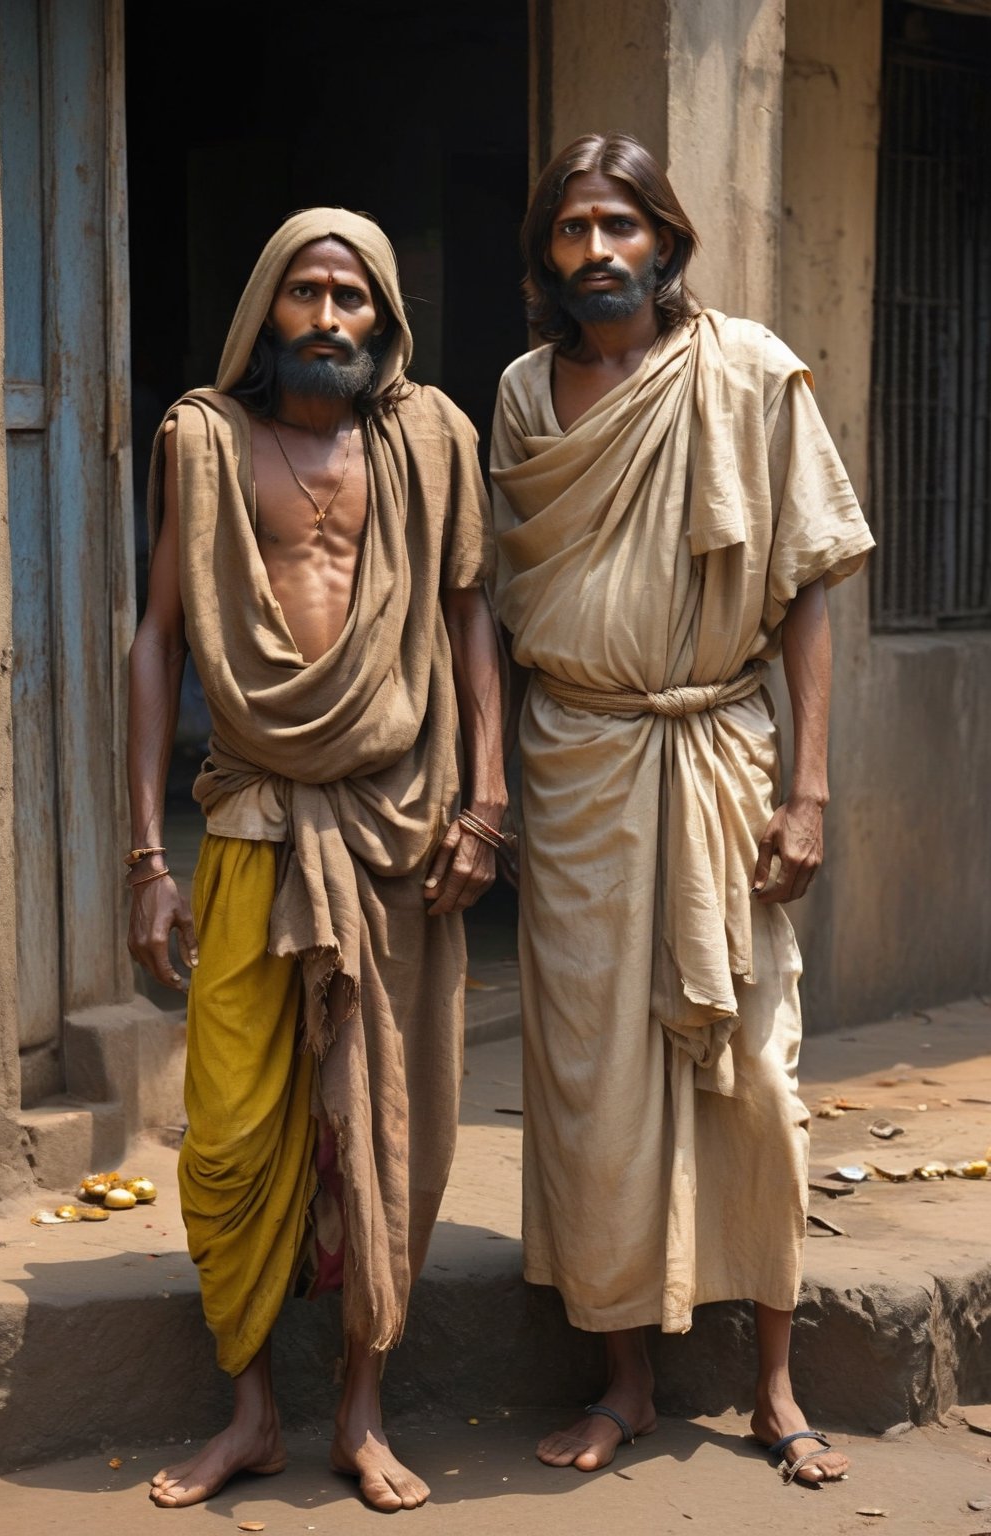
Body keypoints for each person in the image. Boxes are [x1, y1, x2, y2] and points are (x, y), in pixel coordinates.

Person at [490, 133, 875, 1489]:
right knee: (597, 1090)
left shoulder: (754, 371)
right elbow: (497, 600)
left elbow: (812, 582)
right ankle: (627, 1382)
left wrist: (812, 789)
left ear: (666, 235)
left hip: (723, 755)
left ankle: (774, 1382)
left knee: (760, 1079)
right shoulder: (528, 395)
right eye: (571, 229)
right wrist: (491, 782)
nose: (595, 250)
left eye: (618, 223)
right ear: (547, 253)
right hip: (579, 765)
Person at [127, 208, 507, 1511]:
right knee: (230, 1135)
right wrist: (141, 855)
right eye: (308, 293)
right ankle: (253, 1416)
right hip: (248, 824)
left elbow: (472, 627)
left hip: (399, 827)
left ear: (386, 318)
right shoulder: (208, 445)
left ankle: (358, 1413)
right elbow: (157, 641)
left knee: (382, 1139)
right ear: (264, 314)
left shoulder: (430, 440)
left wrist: (488, 802)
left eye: (355, 295)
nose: (332, 317)